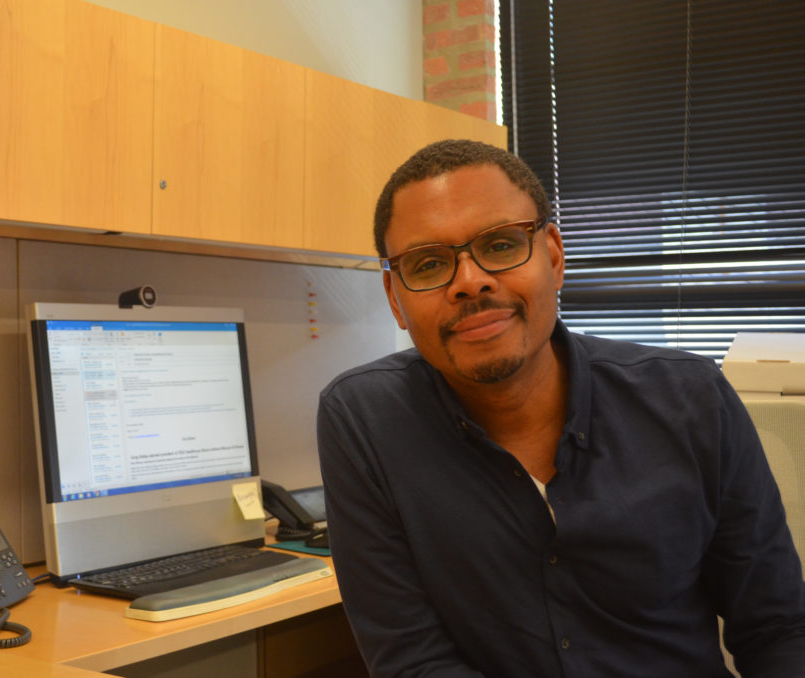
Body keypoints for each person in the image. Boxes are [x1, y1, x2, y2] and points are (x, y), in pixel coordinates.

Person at [316, 139, 805, 677]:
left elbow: (778, 628)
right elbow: (414, 662)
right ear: (394, 297)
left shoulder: (692, 399)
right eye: (428, 264)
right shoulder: (364, 422)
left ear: (552, 255)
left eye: (500, 245)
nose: (470, 282)